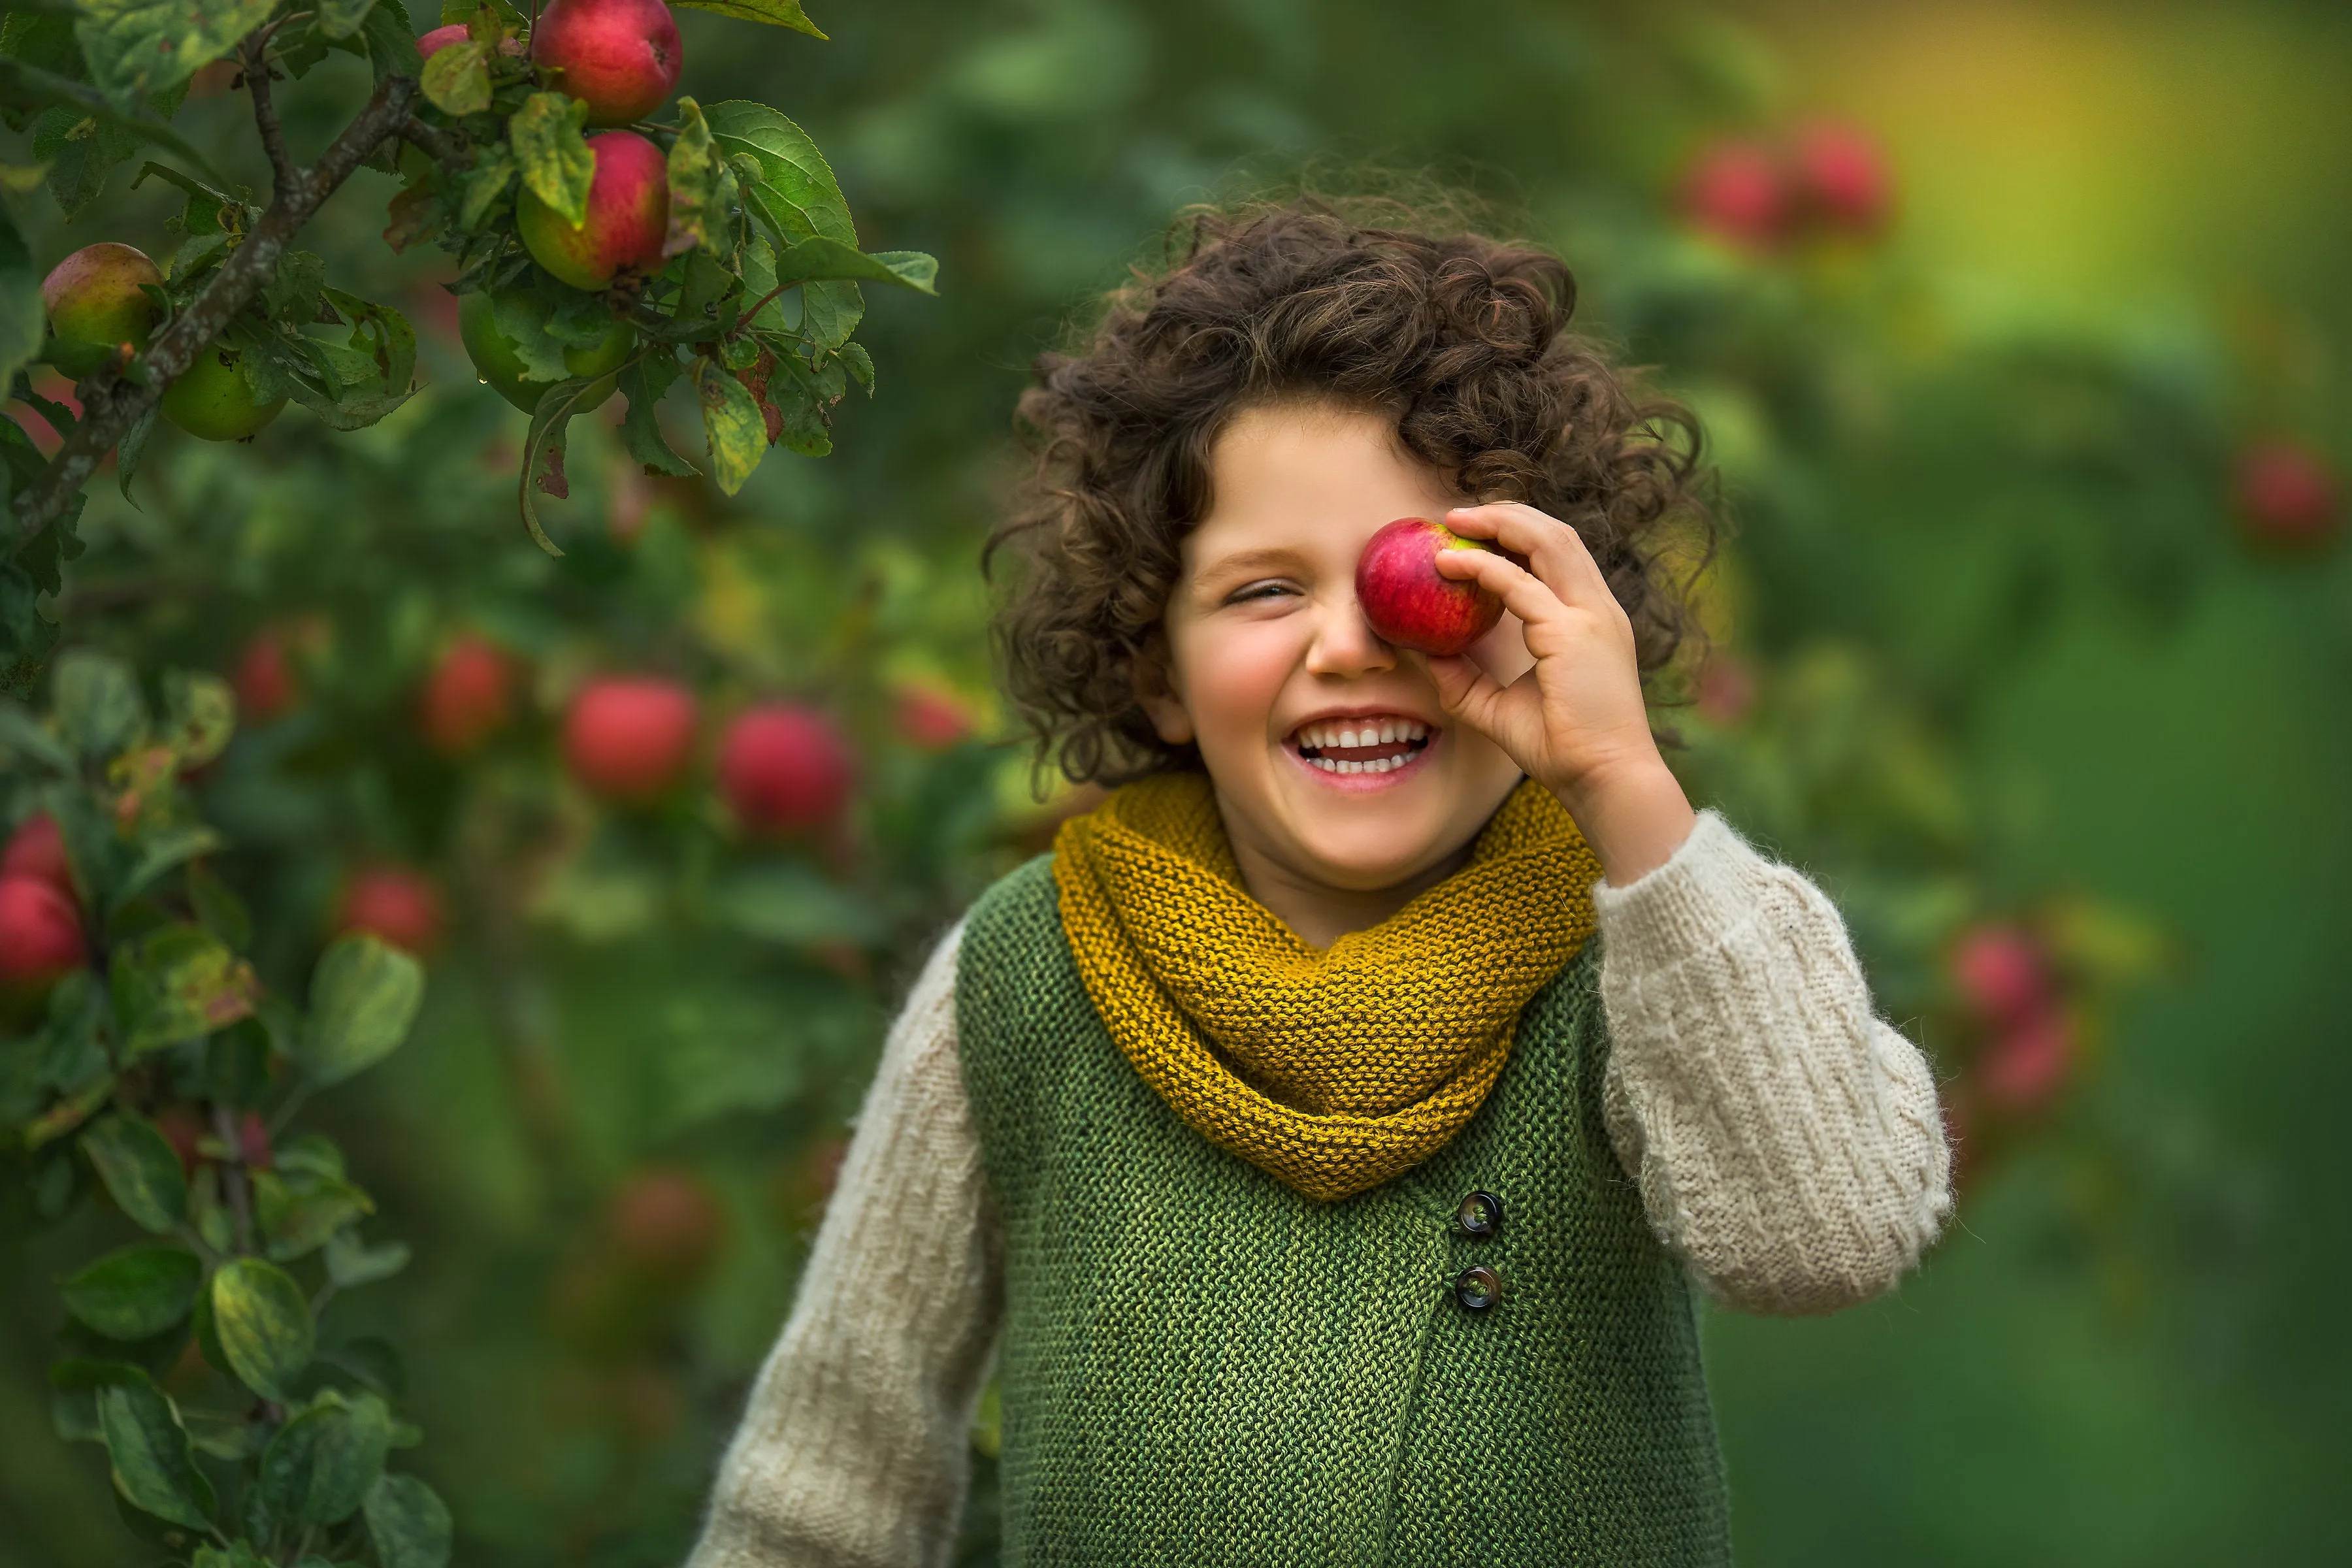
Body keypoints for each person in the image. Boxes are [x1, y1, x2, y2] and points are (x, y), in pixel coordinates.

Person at [681, 197, 1952, 1567]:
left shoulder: (1639, 956)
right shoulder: (1028, 979)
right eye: (1262, 592)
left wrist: (1625, 787)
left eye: (1426, 578)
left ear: (1553, 624)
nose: (1350, 648)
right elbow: (822, 1492)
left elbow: (1823, 1233)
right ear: (1155, 668)